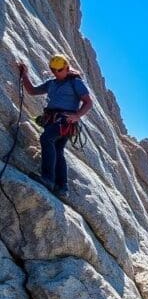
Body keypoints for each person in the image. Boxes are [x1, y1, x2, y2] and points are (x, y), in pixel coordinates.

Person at [17, 54, 93, 196]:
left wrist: (77, 116)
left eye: (59, 70)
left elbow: (88, 102)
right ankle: (62, 187)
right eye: (53, 70)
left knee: (46, 139)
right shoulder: (52, 83)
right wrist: (24, 74)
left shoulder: (75, 82)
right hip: (53, 119)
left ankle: (48, 179)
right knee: (58, 150)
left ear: (66, 68)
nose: (56, 73)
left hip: (65, 120)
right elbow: (32, 91)